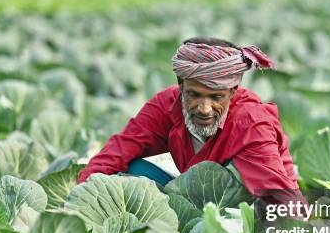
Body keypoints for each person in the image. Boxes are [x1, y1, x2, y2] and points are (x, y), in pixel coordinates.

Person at [77, 37, 300, 196]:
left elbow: (280, 201)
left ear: (233, 92)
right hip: (193, 200)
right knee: (132, 172)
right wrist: (80, 198)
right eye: (194, 95)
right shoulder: (165, 106)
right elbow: (117, 151)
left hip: (241, 212)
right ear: (180, 86)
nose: (204, 108)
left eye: (216, 97)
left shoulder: (251, 125)